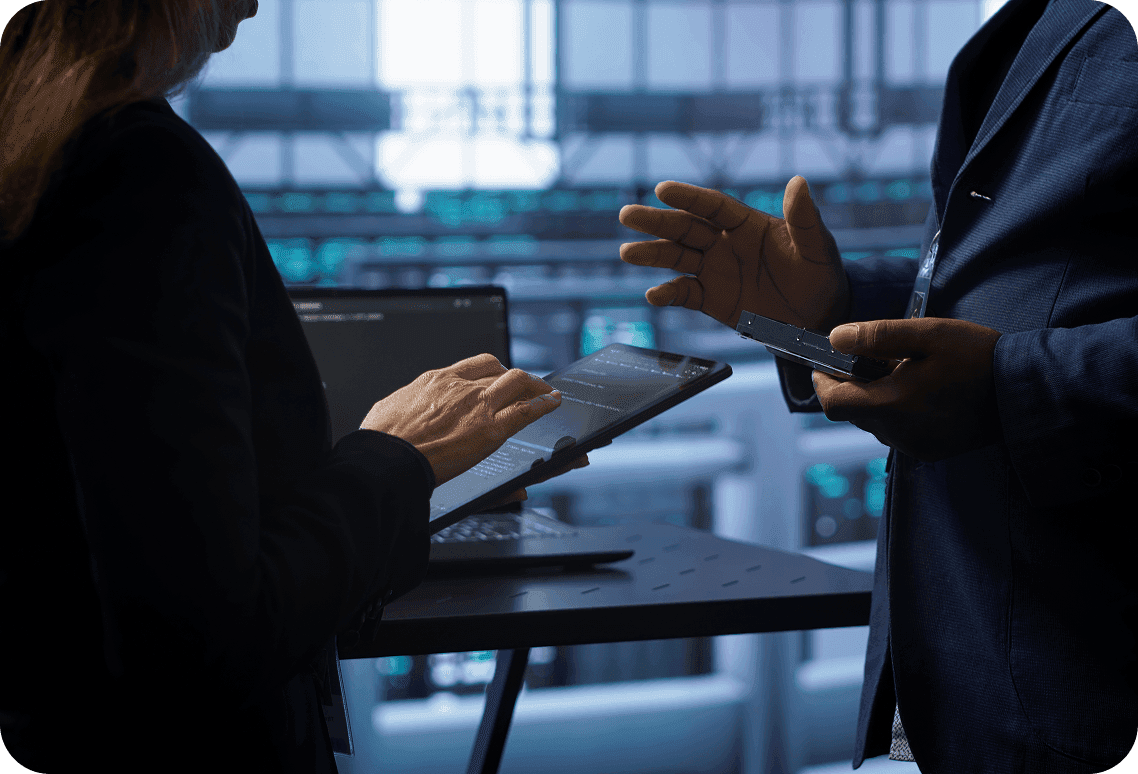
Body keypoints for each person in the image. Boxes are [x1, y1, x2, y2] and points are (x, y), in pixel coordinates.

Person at [0, 1, 585, 771]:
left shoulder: (30, 120)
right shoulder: (138, 168)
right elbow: (207, 635)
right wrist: (396, 455)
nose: (253, 4)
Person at [619, 0, 1137, 770]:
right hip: (987, 678)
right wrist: (831, 312)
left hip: (1087, 676)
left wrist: (1013, 386)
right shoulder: (1044, 24)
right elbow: (1008, 282)